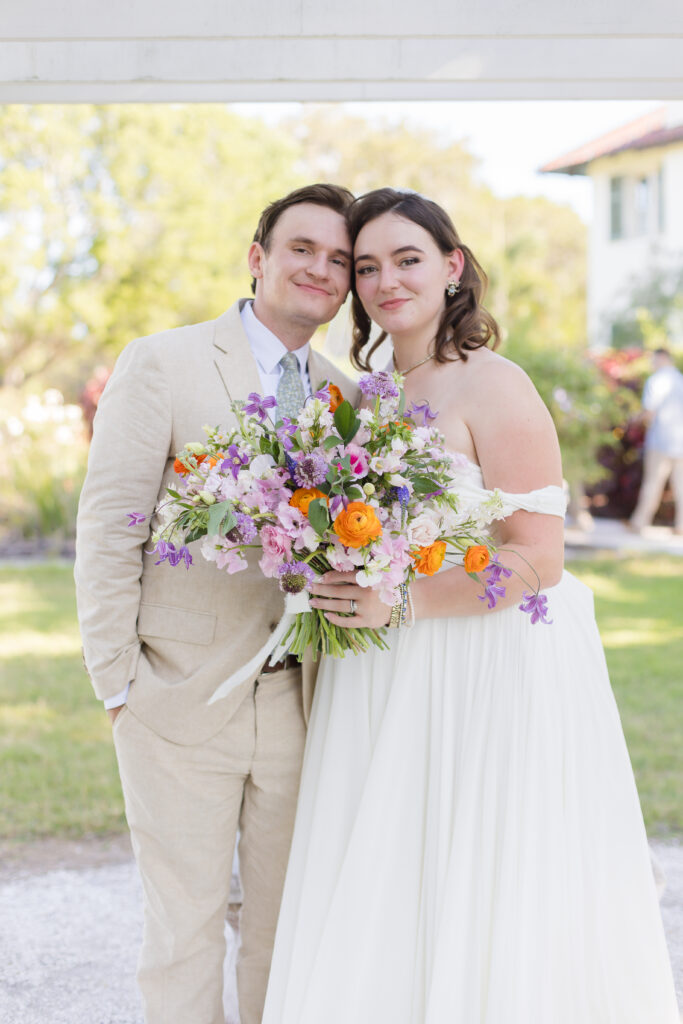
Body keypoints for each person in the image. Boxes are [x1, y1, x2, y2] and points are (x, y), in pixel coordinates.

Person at [262, 188, 680, 1023]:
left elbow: (538, 558)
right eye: (368, 266)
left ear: (452, 267)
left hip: (481, 660)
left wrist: (404, 602)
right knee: (390, 869)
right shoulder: (368, 393)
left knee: (478, 874)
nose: (386, 281)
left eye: (407, 259)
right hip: (381, 668)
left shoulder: (494, 384)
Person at [74, 183, 359, 1024]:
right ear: (258, 257)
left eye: (338, 259)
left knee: (284, 931)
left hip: (304, 705)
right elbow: (110, 524)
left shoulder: (344, 398)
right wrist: (118, 684)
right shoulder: (163, 361)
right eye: (301, 248)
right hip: (176, 697)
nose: (319, 268)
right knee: (184, 933)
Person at [630, 347, 683, 534]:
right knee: (681, 485)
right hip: (680, 441)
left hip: (661, 441)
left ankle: (639, 523)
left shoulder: (656, 380)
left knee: (652, 483)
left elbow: (649, 412)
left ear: (661, 358)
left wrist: (636, 419)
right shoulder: (680, 379)